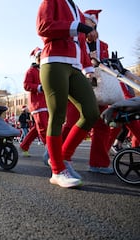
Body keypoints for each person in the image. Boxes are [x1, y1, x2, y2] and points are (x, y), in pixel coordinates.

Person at [36, 0, 99, 188]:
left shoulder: (77, 10)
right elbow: (43, 27)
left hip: (75, 66)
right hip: (53, 61)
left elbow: (80, 42)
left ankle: (64, 156)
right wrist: (78, 27)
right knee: (57, 115)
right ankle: (57, 170)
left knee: (91, 113)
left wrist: (89, 70)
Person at [82, 9, 114, 174]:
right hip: (79, 85)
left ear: (94, 25)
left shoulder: (104, 45)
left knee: (102, 124)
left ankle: (98, 163)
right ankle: (57, 154)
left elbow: (105, 68)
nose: (84, 25)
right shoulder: (76, 40)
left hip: (98, 88)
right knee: (76, 122)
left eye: (87, 22)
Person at [20, 47, 49, 159]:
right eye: (38, 57)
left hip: (46, 103)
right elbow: (26, 85)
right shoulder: (30, 71)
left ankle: (24, 145)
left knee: (37, 128)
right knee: (43, 127)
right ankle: (50, 149)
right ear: (36, 58)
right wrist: (39, 87)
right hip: (37, 104)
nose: (40, 58)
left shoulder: (45, 69)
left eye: (42, 56)